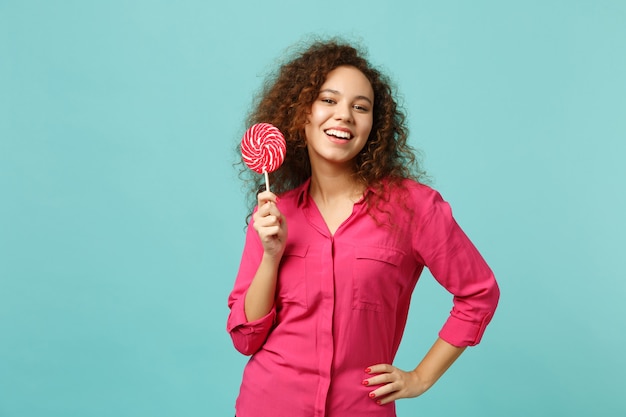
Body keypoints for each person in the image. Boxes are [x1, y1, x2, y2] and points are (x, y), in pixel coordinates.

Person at [227, 38, 500, 417]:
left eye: (361, 107)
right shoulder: (274, 216)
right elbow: (246, 338)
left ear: (374, 125)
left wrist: (420, 378)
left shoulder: (414, 208)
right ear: (301, 114)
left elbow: (478, 294)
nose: (344, 115)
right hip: (269, 404)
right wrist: (271, 256)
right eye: (328, 100)